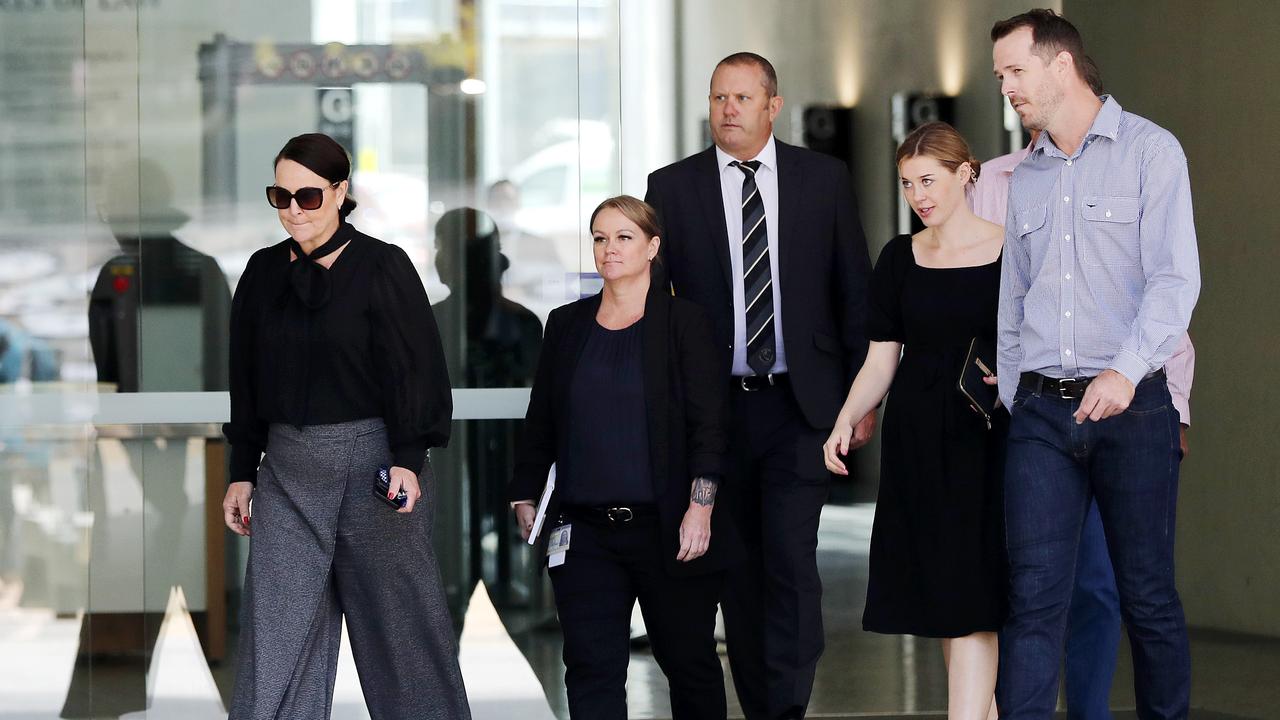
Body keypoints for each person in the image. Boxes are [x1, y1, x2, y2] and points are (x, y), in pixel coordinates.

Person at [645, 52, 874, 720]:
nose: (729, 110)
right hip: (716, 414)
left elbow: (852, 292)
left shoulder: (822, 179)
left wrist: (861, 402)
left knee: (790, 561)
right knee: (736, 571)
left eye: (743, 98)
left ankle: (787, 705)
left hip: (803, 407)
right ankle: (760, 701)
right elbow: (661, 310)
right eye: (719, 98)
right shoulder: (674, 186)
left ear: (773, 105)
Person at [991, 10, 1200, 718]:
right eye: (1000, 76)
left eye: (1015, 71)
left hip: (1134, 408)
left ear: (1060, 65)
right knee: (1033, 600)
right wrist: (1017, 397)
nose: (1007, 88)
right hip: (1042, 417)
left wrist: (1125, 369)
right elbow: (1013, 302)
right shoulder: (1027, 178)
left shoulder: (1151, 152)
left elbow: (1177, 281)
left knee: (1146, 595)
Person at [220, 133, 470, 719]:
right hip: (285, 469)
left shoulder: (383, 265)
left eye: (308, 196)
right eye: (279, 196)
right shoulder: (260, 272)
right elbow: (246, 381)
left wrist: (409, 458)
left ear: (340, 192)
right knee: (278, 635)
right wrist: (241, 471)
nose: (292, 210)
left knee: (402, 634)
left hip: (375, 469)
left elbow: (417, 372)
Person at [508, 195, 738, 719]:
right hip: (585, 532)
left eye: (624, 237)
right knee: (591, 669)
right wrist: (525, 490)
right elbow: (542, 415)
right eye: (600, 238)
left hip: (669, 530)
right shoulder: (566, 324)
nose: (609, 249)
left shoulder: (685, 322)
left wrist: (701, 507)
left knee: (689, 663)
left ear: (653, 247)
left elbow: (710, 424)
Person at [824, 122, 1005, 720]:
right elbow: (883, 355)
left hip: (987, 437)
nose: (919, 195)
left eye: (929, 179)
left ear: (966, 173)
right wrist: (847, 418)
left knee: (973, 595)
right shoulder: (899, 257)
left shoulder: (1012, 250)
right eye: (907, 184)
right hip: (918, 440)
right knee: (948, 600)